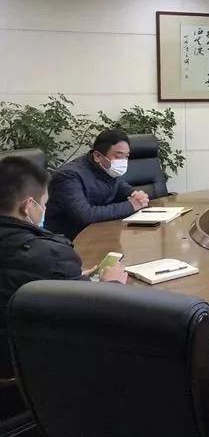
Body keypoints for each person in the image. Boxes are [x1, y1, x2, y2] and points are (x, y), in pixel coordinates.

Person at [0, 157, 127, 379]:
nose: (45, 210)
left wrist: (72, 279)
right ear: (28, 206)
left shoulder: (47, 259)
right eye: (44, 204)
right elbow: (90, 315)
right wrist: (111, 285)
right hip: (26, 363)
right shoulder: (51, 254)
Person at [45, 130, 149, 240]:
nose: (123, 162)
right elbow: (85, 215)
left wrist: (135, 194)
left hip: (102, 232)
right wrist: (131, 205)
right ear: (98, 156)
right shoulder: (68, 176)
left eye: (126, 156)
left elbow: (121, 186)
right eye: (118, 156)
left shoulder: (107, 169)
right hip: (69, 240)